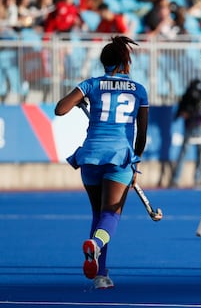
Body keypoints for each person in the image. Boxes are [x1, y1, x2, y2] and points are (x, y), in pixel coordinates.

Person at [54, 36, 149, 289]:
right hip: (119, 155)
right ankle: (95, 246)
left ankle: (101, 274)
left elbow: (60, 109)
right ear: (125, 63)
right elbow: (142, 135)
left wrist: (80, 99)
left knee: (98, 214)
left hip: (91, 154)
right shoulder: (139, 89)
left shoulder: (91, 84)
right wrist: (135, 163)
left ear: (103, 62)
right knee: (111, 215)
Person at [170, 78, 201, 188]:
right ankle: (176, 179)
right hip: (190, 127)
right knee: (184, 153)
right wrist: (185, 113)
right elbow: (179, 113)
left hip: (200, 127)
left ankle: (198, 179)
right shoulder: (186, 96)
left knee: (200, 154)